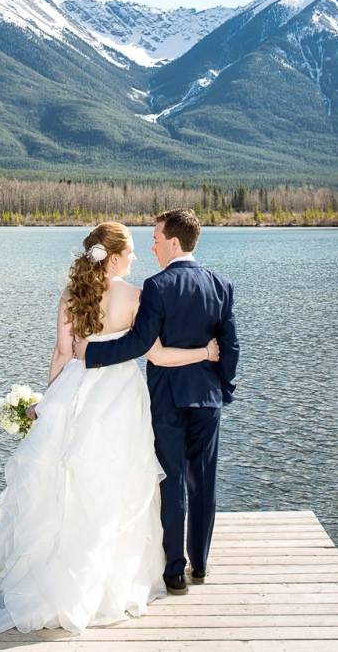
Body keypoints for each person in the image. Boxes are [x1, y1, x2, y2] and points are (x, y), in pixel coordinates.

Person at [0, 221, 221, 636]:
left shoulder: (70, 295)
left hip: (75, 391)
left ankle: (54, 568)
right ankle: (107, 575)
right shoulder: (136, 295)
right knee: (115, 482)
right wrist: (204, 353)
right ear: (115, 256)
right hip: (119, 396)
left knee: (63, 482)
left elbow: (63, 354)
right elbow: (154, 354)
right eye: (131, 250)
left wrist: (50, 405)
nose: (136, 256)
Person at [75, 208, 239, 595]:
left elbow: (139, 343)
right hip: (207, 399)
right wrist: (223, 389)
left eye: (157, 239)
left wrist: (92, 355)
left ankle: (174, 572)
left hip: (166, 398)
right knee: (204, 483)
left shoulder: (157, 286)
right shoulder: (221, 285)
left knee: (173, 482)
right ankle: (200, 563)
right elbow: (230, 346)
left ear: (174, 243)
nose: (152, 247)